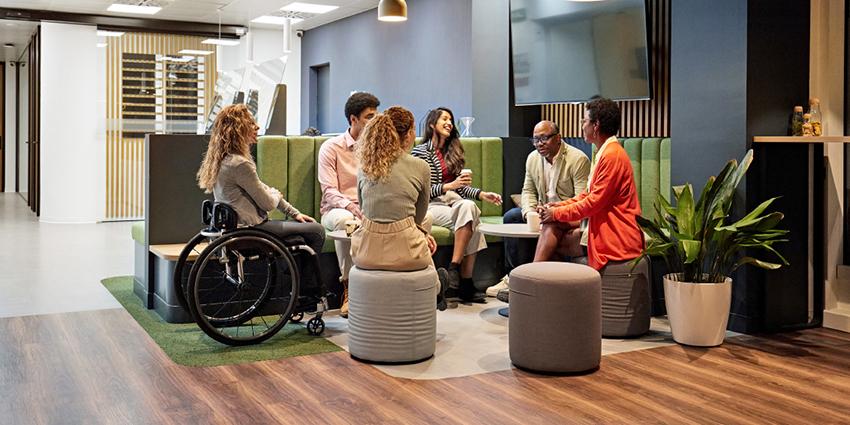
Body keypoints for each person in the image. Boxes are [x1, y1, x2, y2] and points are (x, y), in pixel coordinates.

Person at [196, 103, 325, 263]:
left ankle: (299, 283)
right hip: (251, 229)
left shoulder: (225, 160)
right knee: (317, 230)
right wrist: (276, 194)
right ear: (238, 129)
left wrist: (294, 213)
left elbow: (263, 189)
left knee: (299, 237)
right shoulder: (240, 164)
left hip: (236, 228)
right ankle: (309, 287)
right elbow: (268, 203)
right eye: (251, 123)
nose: (257, 127)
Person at [351, 106, 447, 310]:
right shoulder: (421, 166)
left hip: (365, 252)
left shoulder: (364, 166)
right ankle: (437, 288)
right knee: (421, 240)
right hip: (407, 254)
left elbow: (365, 210)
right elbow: (418, 217)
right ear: (410, 133)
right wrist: (420, 234)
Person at [535, 97, 644, 270]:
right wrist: (556, 206)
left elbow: (593, 202)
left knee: (551, 235)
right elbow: (588, 194)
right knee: (550, 233)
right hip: (602, 227)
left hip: (615, 234)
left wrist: (555, 213)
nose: (582, 126)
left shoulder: (612, 155)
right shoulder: (604, 151)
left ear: (596, 125)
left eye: (584, 121)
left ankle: (532, 283)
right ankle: (541, 288)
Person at [411, 107, 502, 303]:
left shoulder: (453, 151)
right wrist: (448, 186)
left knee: (469, 209)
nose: (449, 122)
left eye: (451, 120)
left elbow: (460, 189)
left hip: (453, 204)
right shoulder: (420, 151)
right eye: (444, 119)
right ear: (431, 124)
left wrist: (483, 194)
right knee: (471, 217)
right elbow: (421, 189)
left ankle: (453, 268)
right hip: (431, 205)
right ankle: (466, 282)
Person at [501, 120, 590, 278]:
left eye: (544, 138)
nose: (539, 144)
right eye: (535, 139)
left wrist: (555, 211)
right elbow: (528, 191)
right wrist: (529, 213)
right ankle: (512, 274)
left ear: (558, 138)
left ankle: (531, 276)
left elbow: (581, 199)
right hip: (542, 211)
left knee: (551, 223)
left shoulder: (577, 159)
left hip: (568, 214)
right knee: (512, 216)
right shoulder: (532, 158)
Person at [318, 92, 380, 318]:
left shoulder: (377, 150)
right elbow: (329, 191)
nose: (375, 122)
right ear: (353, 119)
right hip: (336, 210)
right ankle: (349, 289)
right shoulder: (331, 147)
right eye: (369, 117)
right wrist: (354, 208)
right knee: (348, 222)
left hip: (368, 208)